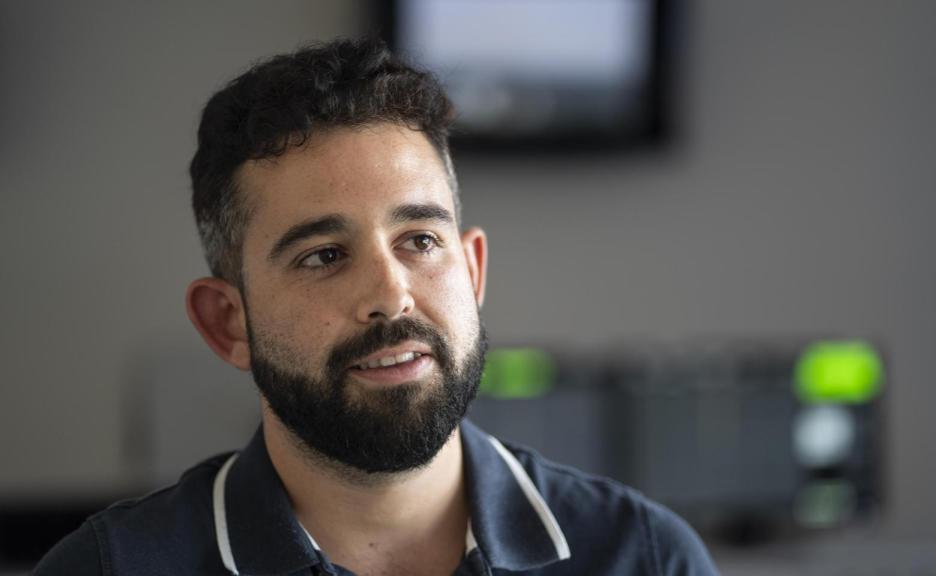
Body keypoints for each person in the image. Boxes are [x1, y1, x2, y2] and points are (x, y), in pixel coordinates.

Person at [35, 38, 717, 576]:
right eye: (324, 255)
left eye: (419, 240)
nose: (391, 294)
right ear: (228, 322)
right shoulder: (110, 567)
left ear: (473, 271)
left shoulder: (645, 557)